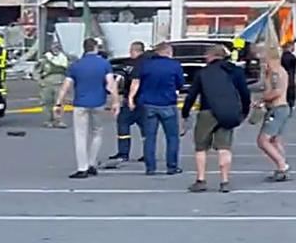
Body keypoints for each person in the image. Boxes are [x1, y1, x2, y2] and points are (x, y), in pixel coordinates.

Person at [181, 44, 251, 193]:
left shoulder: (202, 73)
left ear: (211, 56)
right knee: (224, 148)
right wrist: (244, 111)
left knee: (201, 147)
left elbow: (192, 95)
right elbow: (245, 93)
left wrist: (185, 113)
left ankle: (201, 179)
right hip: (228, 112)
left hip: (207, 111)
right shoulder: (236, 71)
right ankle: (224, 181)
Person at [54, 38, 119, 179]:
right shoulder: (104, 64)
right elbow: (111, 84)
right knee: (97, 132)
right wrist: (115, 102)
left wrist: (59, 103)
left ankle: (81, 167)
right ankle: (92, 163)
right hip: (99, 103)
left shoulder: (76, 65)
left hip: (80, 104)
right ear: (95, 47)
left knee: (80, 136)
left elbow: (66, 86)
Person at [127, 41, 184, 176]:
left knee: (150, 137)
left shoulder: (146, 65)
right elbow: (180, 84)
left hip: (148, 104)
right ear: (169, 52)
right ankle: (172, 166)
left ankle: (150, 167)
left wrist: (131, 98)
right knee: (172, 137)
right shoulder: (175, 65)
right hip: (167, 103)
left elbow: (136, 82)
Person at [107, 41, 147, 165]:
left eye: (131, 51)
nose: (130, 53)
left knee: (123, 124)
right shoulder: (149, 62)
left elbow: (128, 80)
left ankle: (123, 153)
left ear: (136, 51)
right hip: (145, 100)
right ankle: (147, 153)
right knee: (146, 129)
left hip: (133, 100)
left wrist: (128, 98)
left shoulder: (133, 64)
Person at [256, 48, 292, 181]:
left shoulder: (276, 72)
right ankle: (281, 168)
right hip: (280, 108)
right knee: (275, 140)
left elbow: (277, 91)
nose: (261, 62)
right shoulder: (274, 71)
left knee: (263, 140)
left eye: (263, 59)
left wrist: (262, 99)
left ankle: (282, 165)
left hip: (277, 109)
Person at [35, 41, 69, 128]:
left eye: (57, 47)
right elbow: (36, 71)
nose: (56, 48)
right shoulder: (45, 59)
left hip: (60, 84)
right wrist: (40, 82)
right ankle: (48, 121)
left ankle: (58, 121)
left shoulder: (64, 59)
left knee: (59, 103)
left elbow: (68, 72)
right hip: (47, 84)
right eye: (54, 47)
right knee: (47, 103)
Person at [280, 40, 296, 111]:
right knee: (291, 90)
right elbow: (295, 62)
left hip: (283, 77)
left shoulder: (282, 56)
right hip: (290, 77)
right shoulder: (291, 57)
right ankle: (291, 104)